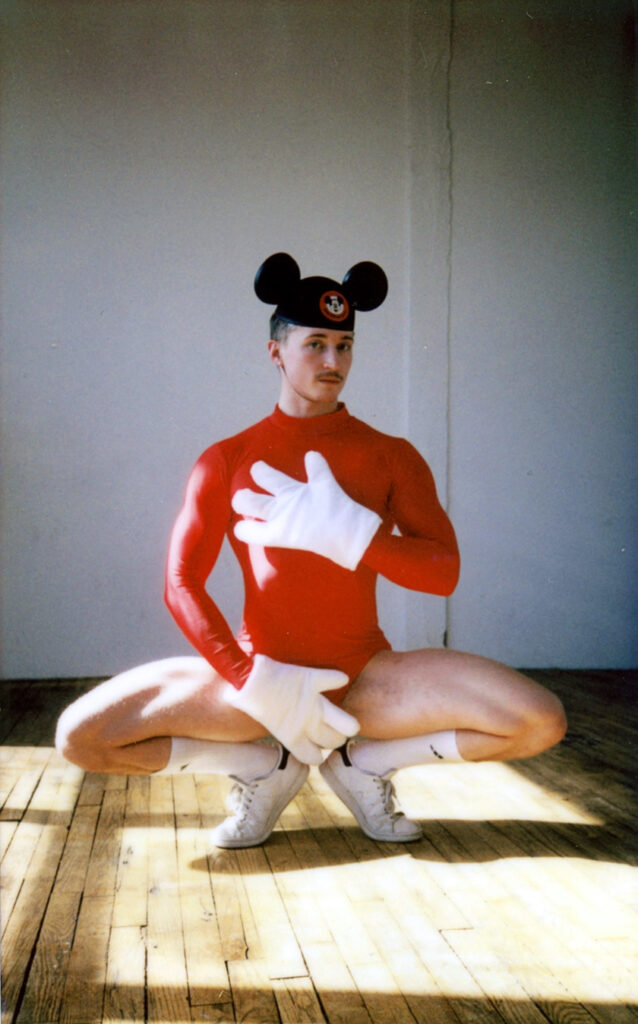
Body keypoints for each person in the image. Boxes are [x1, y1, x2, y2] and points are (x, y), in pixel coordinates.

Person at [56, 252, 567, 848]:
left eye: (345, 346)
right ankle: (261, 769)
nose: (333, 361)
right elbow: (180, 585)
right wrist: (251, 679)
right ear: (276, 350)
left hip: (366, 682)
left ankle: (366, 765)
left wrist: (358, 535)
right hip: (260, 676)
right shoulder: (226, 459)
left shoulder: (391, 455)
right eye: (316, 344)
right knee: (81, 736)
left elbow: (443, 574)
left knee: (539, 722)